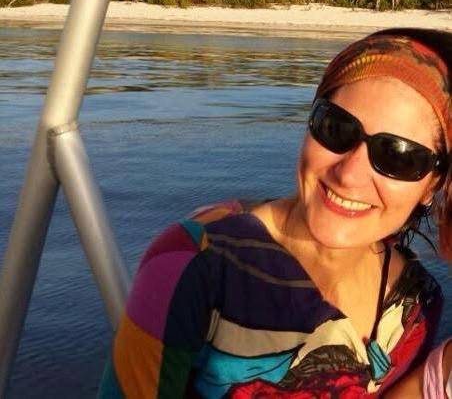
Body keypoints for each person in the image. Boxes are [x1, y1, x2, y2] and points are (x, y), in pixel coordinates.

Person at [98, 28, 452, 398]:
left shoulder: (414, 304)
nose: (349, 174)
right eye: (336, 129)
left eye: (397, 156)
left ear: (432, 184)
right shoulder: (195, 263)